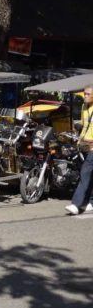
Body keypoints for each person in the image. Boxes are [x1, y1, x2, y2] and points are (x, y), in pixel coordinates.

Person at [66, 85, 93, 215]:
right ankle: (90, 201)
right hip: (83, 146)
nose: (85, 96)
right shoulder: (84, 107)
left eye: (88, 94)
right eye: (84, 93)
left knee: (85, 173)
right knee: (88, 174)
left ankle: (76, 204)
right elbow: (83, 125)